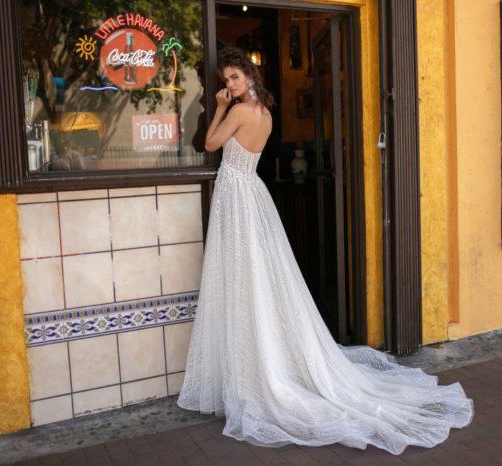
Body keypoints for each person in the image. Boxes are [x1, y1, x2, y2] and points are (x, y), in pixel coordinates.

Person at [177, 46, 473, 455]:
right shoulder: (265, 112)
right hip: (249, 195)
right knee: (253, 277)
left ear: (249, 77)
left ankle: (260, 372)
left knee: (246, 276)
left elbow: (209, 143)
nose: (228, 85)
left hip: (238, 196)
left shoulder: (241, 111)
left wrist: (217, 106)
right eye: (224, 80)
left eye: (234, 77)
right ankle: (252, 365)